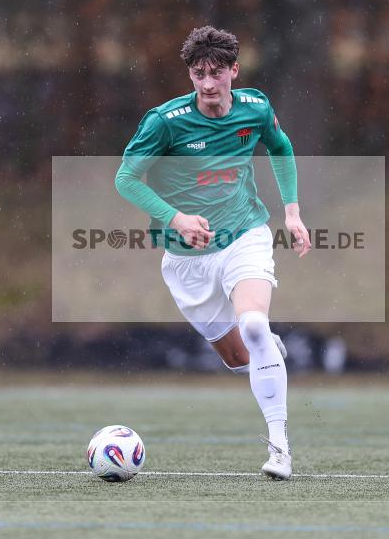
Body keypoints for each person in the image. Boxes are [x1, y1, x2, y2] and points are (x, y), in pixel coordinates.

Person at [115, 26, 311, 480]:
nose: (207, 83)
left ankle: (279, 446)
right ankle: (266, 351)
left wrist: (293, 213)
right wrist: (176, 218)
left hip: (246, 234)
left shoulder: (255, 107)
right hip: (185, 260)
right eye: (198, 74)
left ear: (233, 71)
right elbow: (125, 178)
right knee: (238, 356)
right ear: (190, 74)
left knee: (255, 324)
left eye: (216, 73)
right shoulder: (164, 121)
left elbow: (281, 147)